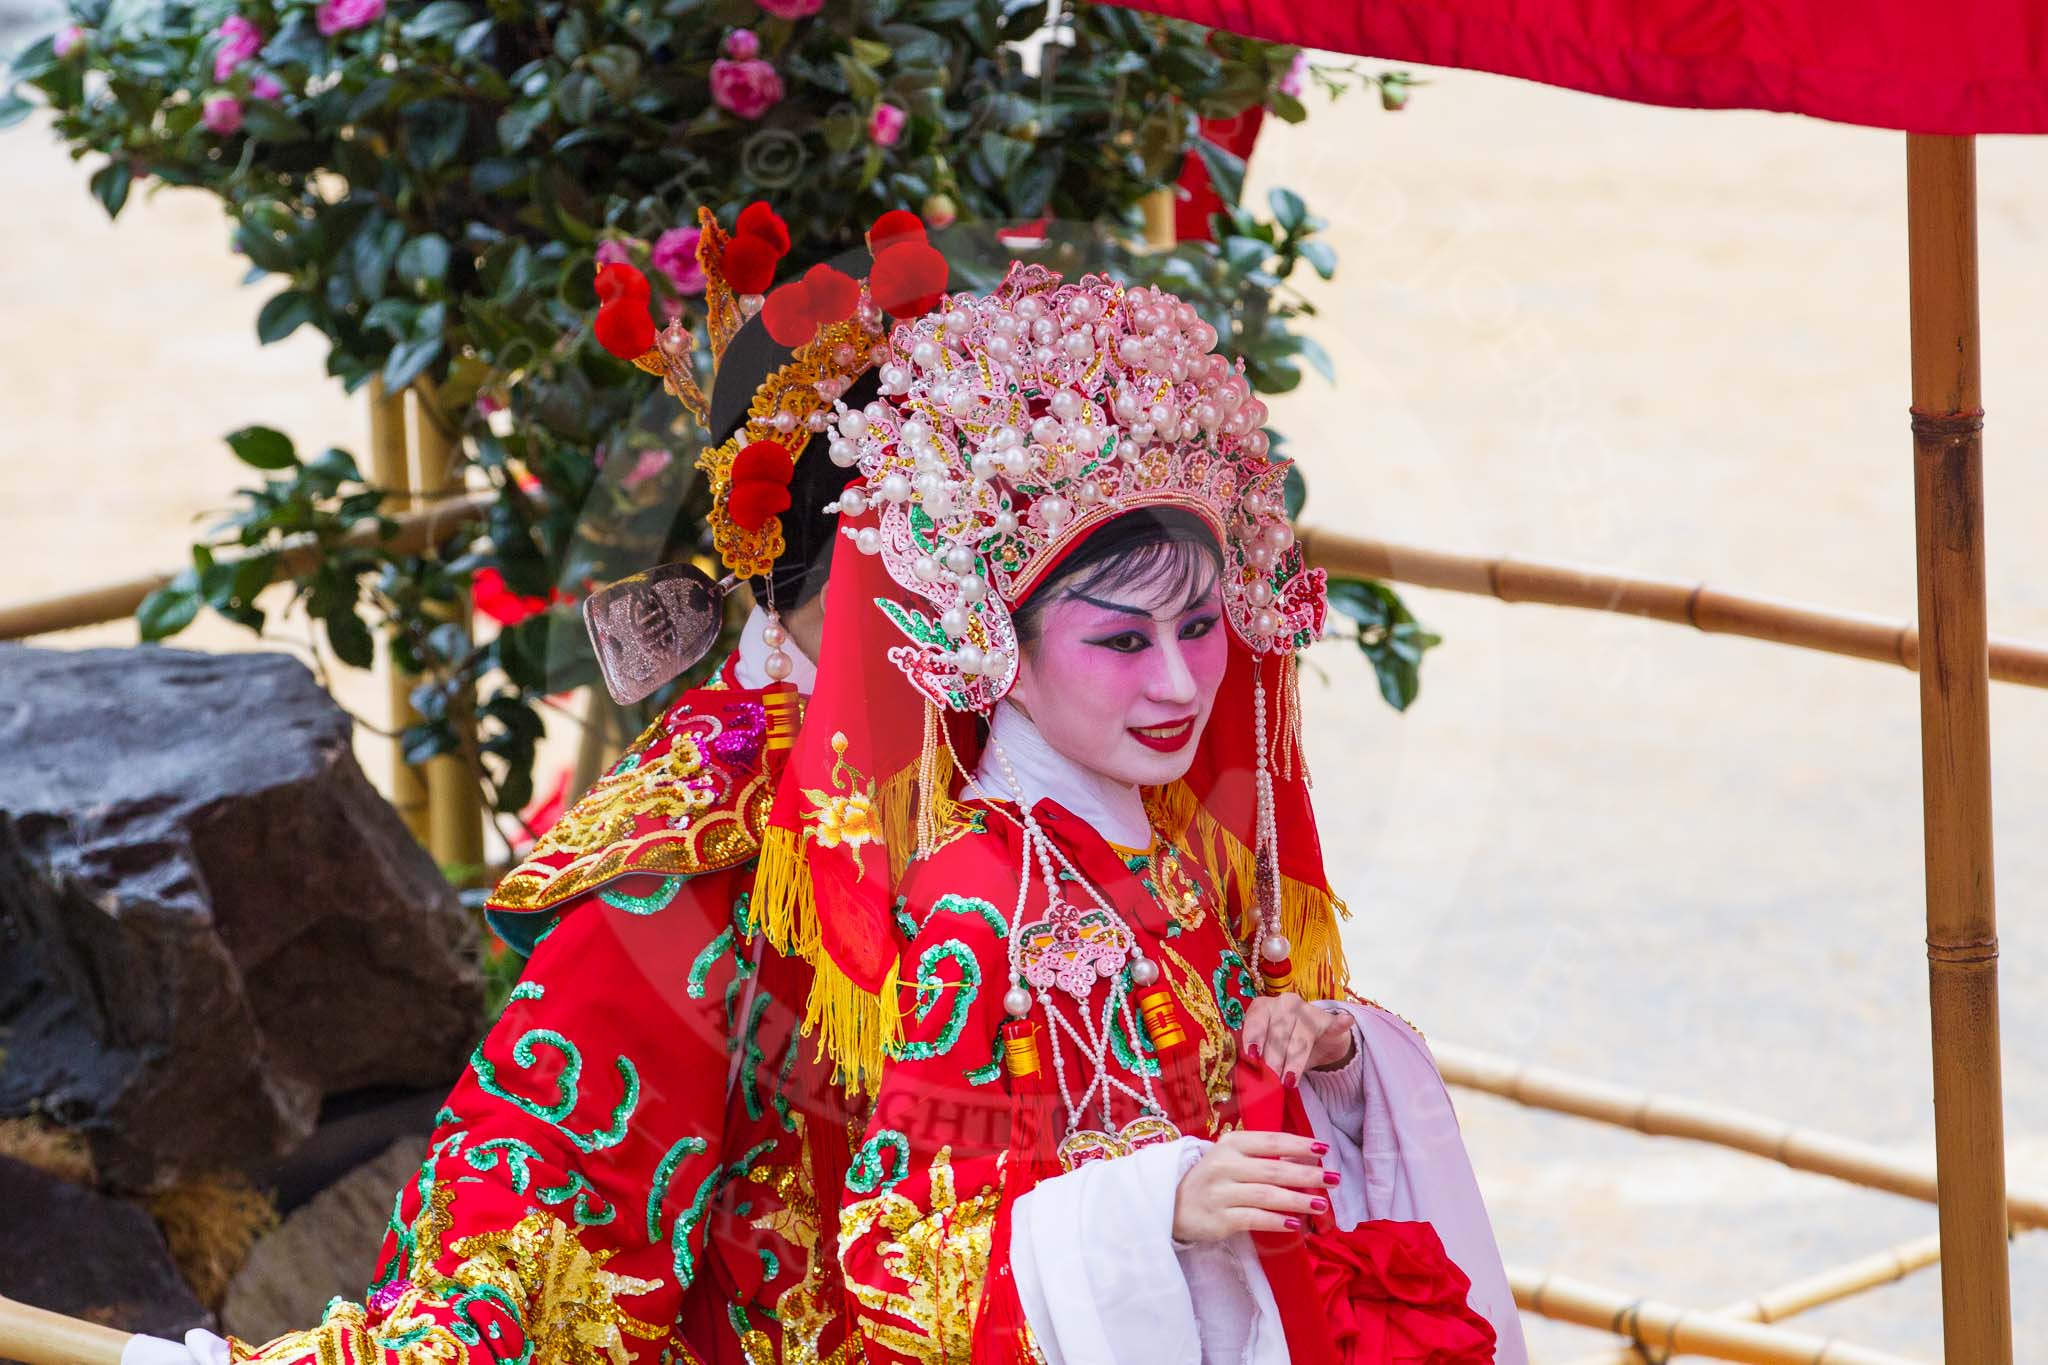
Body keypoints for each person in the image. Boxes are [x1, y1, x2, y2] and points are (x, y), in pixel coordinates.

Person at [123, 201, 954, 1365]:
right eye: (911, 568)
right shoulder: (695, 857)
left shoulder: (1049, 774)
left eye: (985, 561)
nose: (966, 617)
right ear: (780, 573)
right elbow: (539, 1224)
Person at [752, 260, 1528, 1363]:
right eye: (1121, 640)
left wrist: (1331, 1046)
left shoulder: (1166, 853)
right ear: (995, 653)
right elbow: (901, 1257)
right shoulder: (976, 903)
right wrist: (1155, 1207)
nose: (1179, 684)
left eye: (1201, 626)